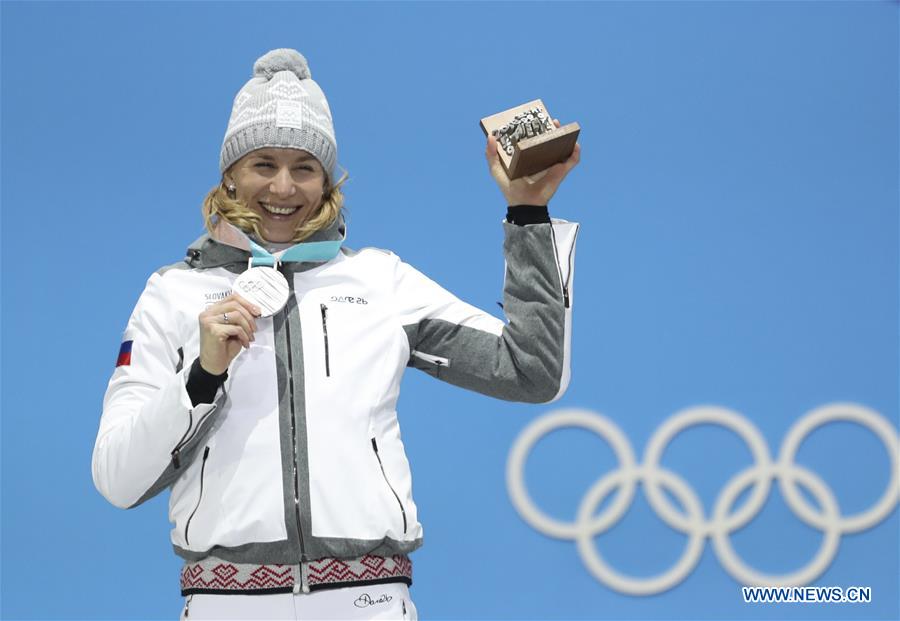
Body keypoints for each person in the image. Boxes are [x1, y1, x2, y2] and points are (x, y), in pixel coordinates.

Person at [92, 48, 580, 620]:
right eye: (262, 163)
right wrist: (201, 376)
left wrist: (527, 215)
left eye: (304, 166)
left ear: (326, 180)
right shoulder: (172, 292)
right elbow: (117, 480)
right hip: (228, 605)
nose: (283, 186)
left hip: (369, 603)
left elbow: (531, 371)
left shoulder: (379, 280)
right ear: (229, 173)